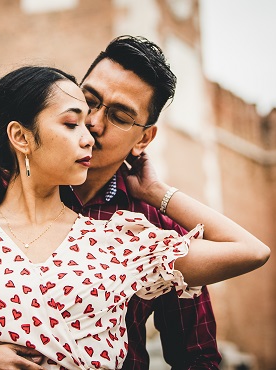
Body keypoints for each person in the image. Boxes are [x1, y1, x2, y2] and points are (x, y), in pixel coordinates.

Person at [0, 65, 269, 370]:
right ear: (22, 137)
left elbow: (250, 251)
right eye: (72, 122)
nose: (90, 135)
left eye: (98, 120)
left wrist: (155, 193)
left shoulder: (119, 242)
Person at [61, 35, 221, 369]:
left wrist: (156, 193)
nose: (93, 122)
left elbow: (196, 357)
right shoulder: (5, 193)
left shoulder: (158, 231)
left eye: (119, 117)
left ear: (144, 139)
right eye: (89, 99)